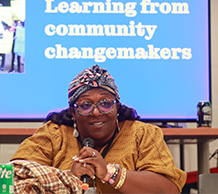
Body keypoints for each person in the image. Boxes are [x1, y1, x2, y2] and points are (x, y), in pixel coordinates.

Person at [11, 65, 187, 193]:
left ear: (117, 107)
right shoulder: (53, 135)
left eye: (105, 103)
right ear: (73, 111)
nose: (96, 112)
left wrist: (110, 173)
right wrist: (66, 179)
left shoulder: (142, 134)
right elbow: (12, 180)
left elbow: (169, 189)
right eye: (86, 105)